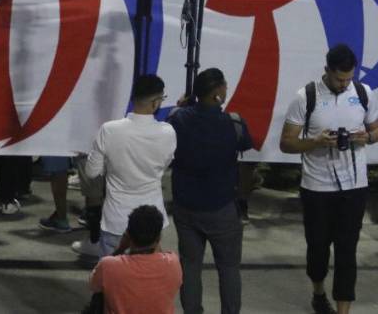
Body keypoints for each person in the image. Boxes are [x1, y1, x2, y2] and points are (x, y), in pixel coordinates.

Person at [280, 44, 378, 314]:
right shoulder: (306, 97)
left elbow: (377, 129)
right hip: (316, 188)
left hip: (354, 187)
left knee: (347, 252)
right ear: (327, 70)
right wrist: (315, 141)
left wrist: (367, 138)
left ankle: (343, 310)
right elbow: (286, 144)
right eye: (339, 79)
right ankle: (318, 291)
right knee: (318, 249)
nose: (344, 83)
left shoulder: (363, 93)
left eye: (349, 78)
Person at [168, 68, 252, 314]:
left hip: (185, 207)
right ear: (217, 94)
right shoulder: (233, 123)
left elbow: (167, 135)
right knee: (228, 268)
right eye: (224, 87)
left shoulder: (178, 119)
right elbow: (247, 143)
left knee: (190, 267)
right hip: (222, 207)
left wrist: (181, 107)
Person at [83, 75, 175, 257]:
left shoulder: (109, 130)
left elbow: (91, 172)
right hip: (152, 220)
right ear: (156, 103)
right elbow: (163, 166)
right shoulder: (168, 132)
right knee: (147, 278)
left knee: (112, 279)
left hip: (116, 218)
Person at [88, 205, 182, 314]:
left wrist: (120, 249)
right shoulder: (173, 264)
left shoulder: (109, 266)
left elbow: (93, 284)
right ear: (158, 237)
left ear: (128, 235)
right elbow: (160, 255)